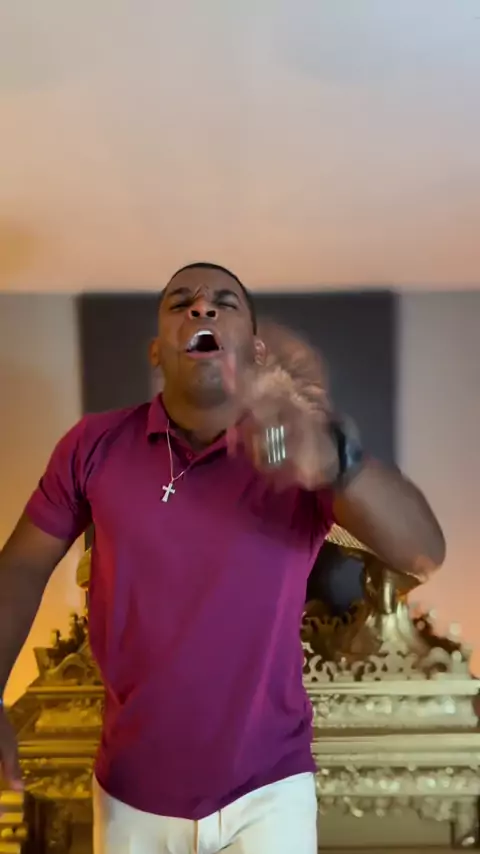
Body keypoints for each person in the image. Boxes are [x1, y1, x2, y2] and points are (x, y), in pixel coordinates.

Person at [0, 262, 445, 853]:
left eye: (224, 302)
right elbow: (22, 566)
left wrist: (338, 459)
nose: (201, 307)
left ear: (256, 351)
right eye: (180, 301)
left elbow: (423, 551)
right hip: (130, 796)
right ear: (156, 351)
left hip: (270, 793)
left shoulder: (302, 452)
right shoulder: (92, 445)